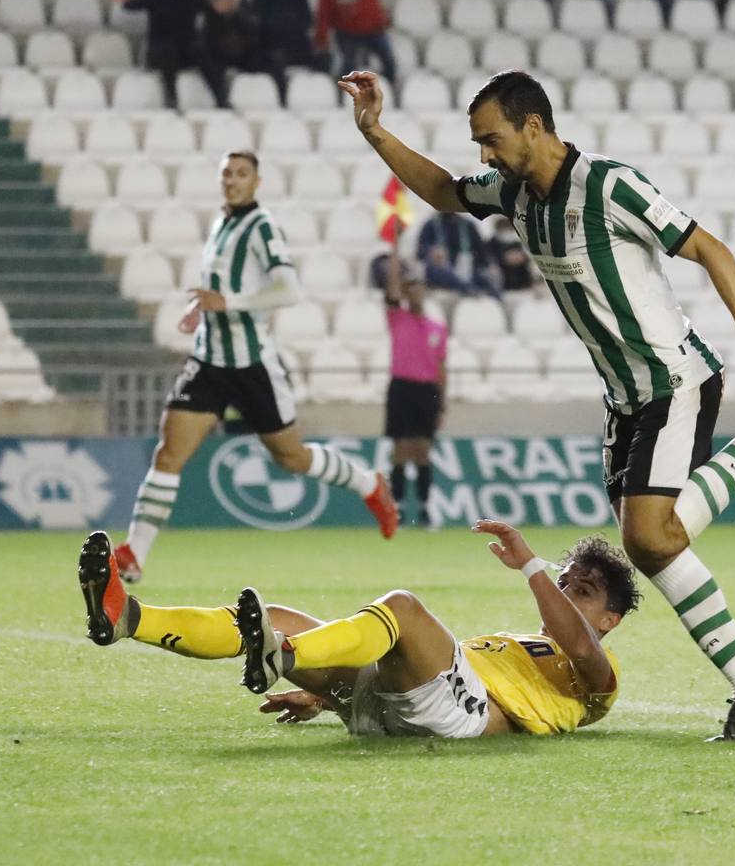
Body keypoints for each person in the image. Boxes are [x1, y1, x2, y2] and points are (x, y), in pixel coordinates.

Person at [339, 68, 735, 742]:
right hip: (623, 400)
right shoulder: (512, 193)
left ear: (534, 127)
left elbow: (709, 250)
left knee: (648, 538)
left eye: (491, 140)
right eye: (477, 143)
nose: (483, 155)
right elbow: (441, 190)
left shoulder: (609, 185)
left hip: (674, 380)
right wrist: (376, 132)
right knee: (656, 542)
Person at [112, 150, 398, 584]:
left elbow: (289, 288)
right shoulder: (220, 223)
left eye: (242, 174)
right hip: (209, 360)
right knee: (169, 453)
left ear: (256, 181)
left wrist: (228, 303)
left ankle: (368, 484)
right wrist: (201, 309)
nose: (232, 180)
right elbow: (223, 288)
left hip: (252, 365)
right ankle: (134, 554)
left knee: (291, 457)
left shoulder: (261, 226)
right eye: (226, 173)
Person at [76, 521, 640, 737]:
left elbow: (577, 640)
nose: (565, 593)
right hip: (394, 704)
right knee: (276, 618)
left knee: (404, 608)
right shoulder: (525, 644)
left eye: (581, 590)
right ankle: (128, 618)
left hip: (459, 716)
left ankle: (285, 653)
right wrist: (327, 697)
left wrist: (532, 567)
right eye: (565, 582)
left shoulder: (598, 677)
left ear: (611, 620)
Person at [381, 266, 447, 528]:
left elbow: (441, 366)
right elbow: (391, 289)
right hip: (402, 388)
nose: (416, 292)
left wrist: (442, 401)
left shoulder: (437, 328)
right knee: (400, 450)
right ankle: (395, 507)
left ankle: (424, 508)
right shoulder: (398, 318)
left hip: (427, 390)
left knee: (422, 450)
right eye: (411, 288)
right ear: (406, 293)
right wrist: (394, 251)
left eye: (420, 287)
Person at [111, 0, 226, 109]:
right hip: (160, 53)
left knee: (201, 52)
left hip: (185, 53)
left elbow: (213, 11)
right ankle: (171, 97)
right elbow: (132, 5)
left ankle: (221, 98)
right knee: (168, 50)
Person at [252, 0, 321, 104]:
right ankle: (281, 101)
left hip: (297, 47)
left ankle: (318, 98)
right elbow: (257, 27)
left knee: (323, 58)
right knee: (276, 60)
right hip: (269, 48)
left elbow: (306, 22)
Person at [314, 0, 396, 84]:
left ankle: (389, 88)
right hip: (347, 32)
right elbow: (324, 12)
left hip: (374, 30)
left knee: (389, 61)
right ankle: (343, 92)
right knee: (348, 66)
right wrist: (321, 36)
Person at [415, 211, 497, 295]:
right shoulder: (430, 225)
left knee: (487, 279)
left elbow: (481, 252)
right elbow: (420, 251)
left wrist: (490, 266)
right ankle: (467, 288)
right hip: (442, 271)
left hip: (467, 268)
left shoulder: (468, 225)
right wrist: (432, 251)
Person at [488, 216, 539, 294]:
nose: (507, 231)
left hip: (522, 283)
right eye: (503, 227)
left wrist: (523, 258)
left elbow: (528, 257)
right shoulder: (491, 243)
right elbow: (489, 259)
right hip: (502, 282)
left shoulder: (518, 241)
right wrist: (504, 259)